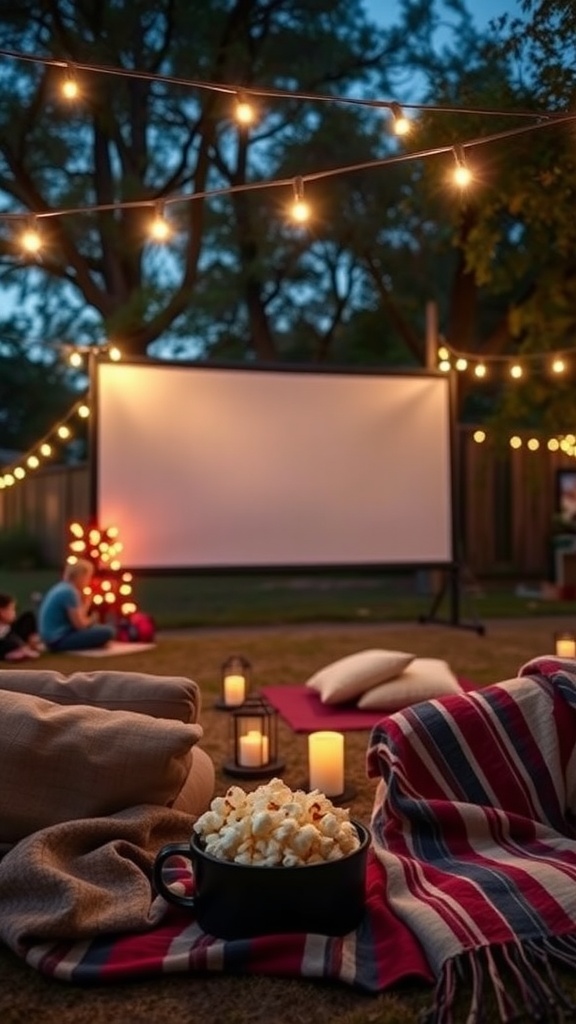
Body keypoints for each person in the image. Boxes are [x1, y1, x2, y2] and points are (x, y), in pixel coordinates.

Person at [38, 559, 115, 652]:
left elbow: (78, 619)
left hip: (51, 638)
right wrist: (92, 620)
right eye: (87, 577)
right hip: (58, 639)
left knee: (99, 630)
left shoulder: (63, 587)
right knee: (108, 632)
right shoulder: (69, 592)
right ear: (81, 576)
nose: (88, 581)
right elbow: (80, 625)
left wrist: (86, 603)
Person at [0, 593, 41, 661]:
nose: (14, 613)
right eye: (12, 609)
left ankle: (24, 648)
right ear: (1, 611)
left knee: (28, 616)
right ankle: (16, 651)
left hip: (13, 639)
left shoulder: (9, 627)